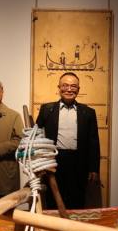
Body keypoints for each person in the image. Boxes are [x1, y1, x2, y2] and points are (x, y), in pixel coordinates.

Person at [36, 72, 100, 209]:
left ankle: (73, 229)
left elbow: (93, 142)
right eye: (65, 85)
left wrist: (94, 168)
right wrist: (38, 164)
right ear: (58, 87)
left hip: (79, 163)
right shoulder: (47, 109)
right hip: (54, 162)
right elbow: (37, 137)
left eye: (73, 86)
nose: (69, 89)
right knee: (53, 201)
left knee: (77, 202)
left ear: (78, 89)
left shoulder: (88, 112)